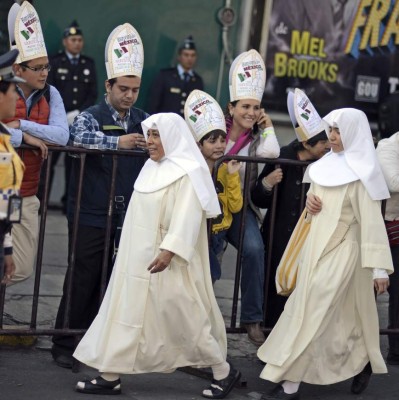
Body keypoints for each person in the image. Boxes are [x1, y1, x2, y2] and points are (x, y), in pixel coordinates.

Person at [73, 112, 241, 399]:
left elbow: (188, 217)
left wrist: (169, 251)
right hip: (137, 261)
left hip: (169, 262)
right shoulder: (152, 167)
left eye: (156, 136)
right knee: (125, 313)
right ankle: (110, 374)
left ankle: (223, 371)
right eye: (148, 135)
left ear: (172, 137)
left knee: (184, 316)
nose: (149, 142)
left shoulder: (186, 172)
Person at [258, 108, 393, 400]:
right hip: (316, 248)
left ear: (354, 132)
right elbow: (315, 207)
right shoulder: (324, 166)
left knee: (312, 311)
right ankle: (362, 360)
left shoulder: (363, 174)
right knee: (335, 317)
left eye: (338, 131)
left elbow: (371, 221)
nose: (331, 137)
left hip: (345, 252)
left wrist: (379, 269)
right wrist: (310, 203)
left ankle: (289, 381)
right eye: (330, 130)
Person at [51, 23, 148, 369]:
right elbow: (76, 141)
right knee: (83, 276)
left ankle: (93, 342)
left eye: (135, 89)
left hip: (127, 215)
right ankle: (64, 343)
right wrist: (117, 143)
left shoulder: (143, 119)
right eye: (123, 88)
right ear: (108, 85)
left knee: (111, 280)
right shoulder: (90, 117)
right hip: (91, 210)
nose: (129, 96)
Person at [252, 88, 330, 327]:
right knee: (274, 285)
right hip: (278, 236)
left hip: (308, 237)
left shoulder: (326, 164)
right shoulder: (282, 156)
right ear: (307, 142)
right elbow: (258, 198)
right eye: (323, 144)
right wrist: (267, 183)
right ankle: (268, 329)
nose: (327, 148)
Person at [4, 1, 69, 285]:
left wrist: (21, 125)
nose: (44, 73)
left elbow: (61, 136)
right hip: (2, 192)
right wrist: (24, 136)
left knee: (20, 268)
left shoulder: (51, 93)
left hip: (27, 194)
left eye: (47, 67)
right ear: (19, 68)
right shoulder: (3, 88)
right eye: (38, 68)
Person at [223, 49, 280, 346]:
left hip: (241, 207)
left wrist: (268, 125)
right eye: (245, 106)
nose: (251, 112)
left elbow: (272, 153)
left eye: (256, 107)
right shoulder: (215, 130)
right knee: (207, 261)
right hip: (212, 207)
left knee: (255, 250)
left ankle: (252, 320)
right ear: (231, 107)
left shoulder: (257, 138)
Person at [184, 89, 243, 282]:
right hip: (198, 234)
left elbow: (235, 206)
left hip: (218, 234)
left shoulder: (227, 170)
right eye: (212, 141)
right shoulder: (192, 171)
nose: (219, 145)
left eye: (221, 140)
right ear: (198, 144)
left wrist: (233, 178)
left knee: (211, 280)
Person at [43, 20, 98, 212]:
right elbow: (47, 90)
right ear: (65, 41)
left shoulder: (88, 64)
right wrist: (61, 115)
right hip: (56, 122)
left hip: (77, 123)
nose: (77, 43)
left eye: (79, 40)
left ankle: (69, 204)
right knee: (48, 162)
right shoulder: (55, 62)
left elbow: (92, 93)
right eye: (73, 39)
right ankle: (42, 202)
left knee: (72, 164)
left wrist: (79, 114)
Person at [0, 49, 25, 285]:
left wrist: (7, 249)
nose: (17, 97)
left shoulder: (4, 137)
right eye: (12, 90)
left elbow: (7, 197)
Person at [376, 132, 399, 365]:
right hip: (384, 227)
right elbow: (393, 181)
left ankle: (396, 350)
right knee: (369, 289)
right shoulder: (388, 146)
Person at [147, 35, 204, 117]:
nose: (189, 59)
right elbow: (153, 104)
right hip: (165, 125)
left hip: (185, 127)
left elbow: (198, 110)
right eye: (186, 55)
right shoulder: (165, 76)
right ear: (179, 56)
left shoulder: (198, 81)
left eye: (193, 55)